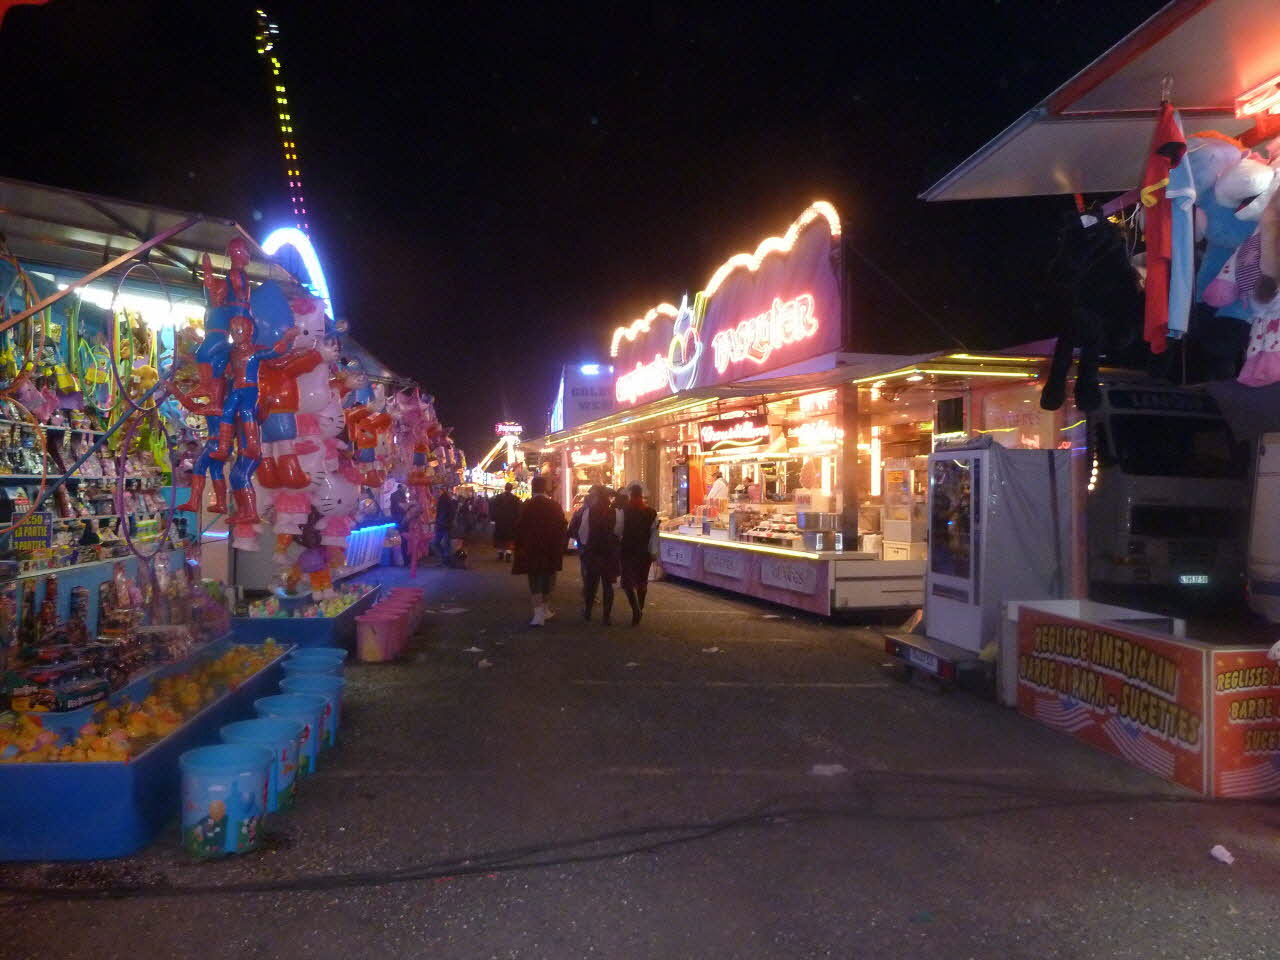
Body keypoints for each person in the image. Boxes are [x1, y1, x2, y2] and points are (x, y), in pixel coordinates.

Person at [512, 474, 566, 626]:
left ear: (532, 487)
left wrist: (519, 547)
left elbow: (519, 528)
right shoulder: (554, 506)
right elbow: (562, 526)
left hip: (532, 549)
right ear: (545, 488)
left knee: (535, 581)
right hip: (551, 549)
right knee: (548, 579)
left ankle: (538, 615)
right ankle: (545, 610)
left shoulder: (527, 505)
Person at [579, 483, 622, 624]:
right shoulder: (615, 513)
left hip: (593, 551)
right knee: (608, 585)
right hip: (609, 552)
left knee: (591, 583)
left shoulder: (589, 511)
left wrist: (585, 547)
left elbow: (583, 532)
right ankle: (606, 616)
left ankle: (588, 611)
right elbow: (618, 532)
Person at [620, 483, 659, 625]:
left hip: (628, 550)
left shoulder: (624, 511)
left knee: (627, 581)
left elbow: (619, 531)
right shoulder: (651, 512)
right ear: (641, 495)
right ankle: (640, 608)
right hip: (644, 551)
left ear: (630, 495)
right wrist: (654, 552)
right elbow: (654, 534)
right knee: (642, 581)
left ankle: (636, 609)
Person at [491, 482, 521, 562]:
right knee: (510, 538)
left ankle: (500, 553)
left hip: (500, 521)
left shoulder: (498, 497)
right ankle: (508, 553)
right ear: (511, 489)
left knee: (500, 537)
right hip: (511, 522)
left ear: (505, 488)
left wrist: (494, 518)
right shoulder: (515, 499)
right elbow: (518, 511)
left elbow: (494, 509)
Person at [433, 486, 458, 567]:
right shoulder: (446, 499)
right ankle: (446, 560)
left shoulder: (443, 499)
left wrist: (439, 522)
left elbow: (444, 513)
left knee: (438, 543)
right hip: (445, 524)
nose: (434, 493)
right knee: (445, 543)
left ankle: (446, 559)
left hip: (443, 525)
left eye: (436, 490)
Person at [389, 484, 410, 565]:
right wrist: (411, 505)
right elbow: (402, 507)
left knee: (405, 539)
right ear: (400, 487)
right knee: (404, 539)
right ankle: (406, 560)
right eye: (405, 487)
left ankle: (407, 559)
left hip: (401, 519)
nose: (406, 489)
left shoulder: (401, 495)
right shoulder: (396, 495)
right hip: (400, 520)